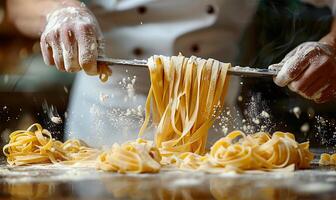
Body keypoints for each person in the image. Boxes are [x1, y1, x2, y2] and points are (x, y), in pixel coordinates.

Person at [7, 0, 336, 147]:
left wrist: (332, 47)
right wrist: (59, 10)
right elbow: (18, 4)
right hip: (101, 120)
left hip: (214, 129)